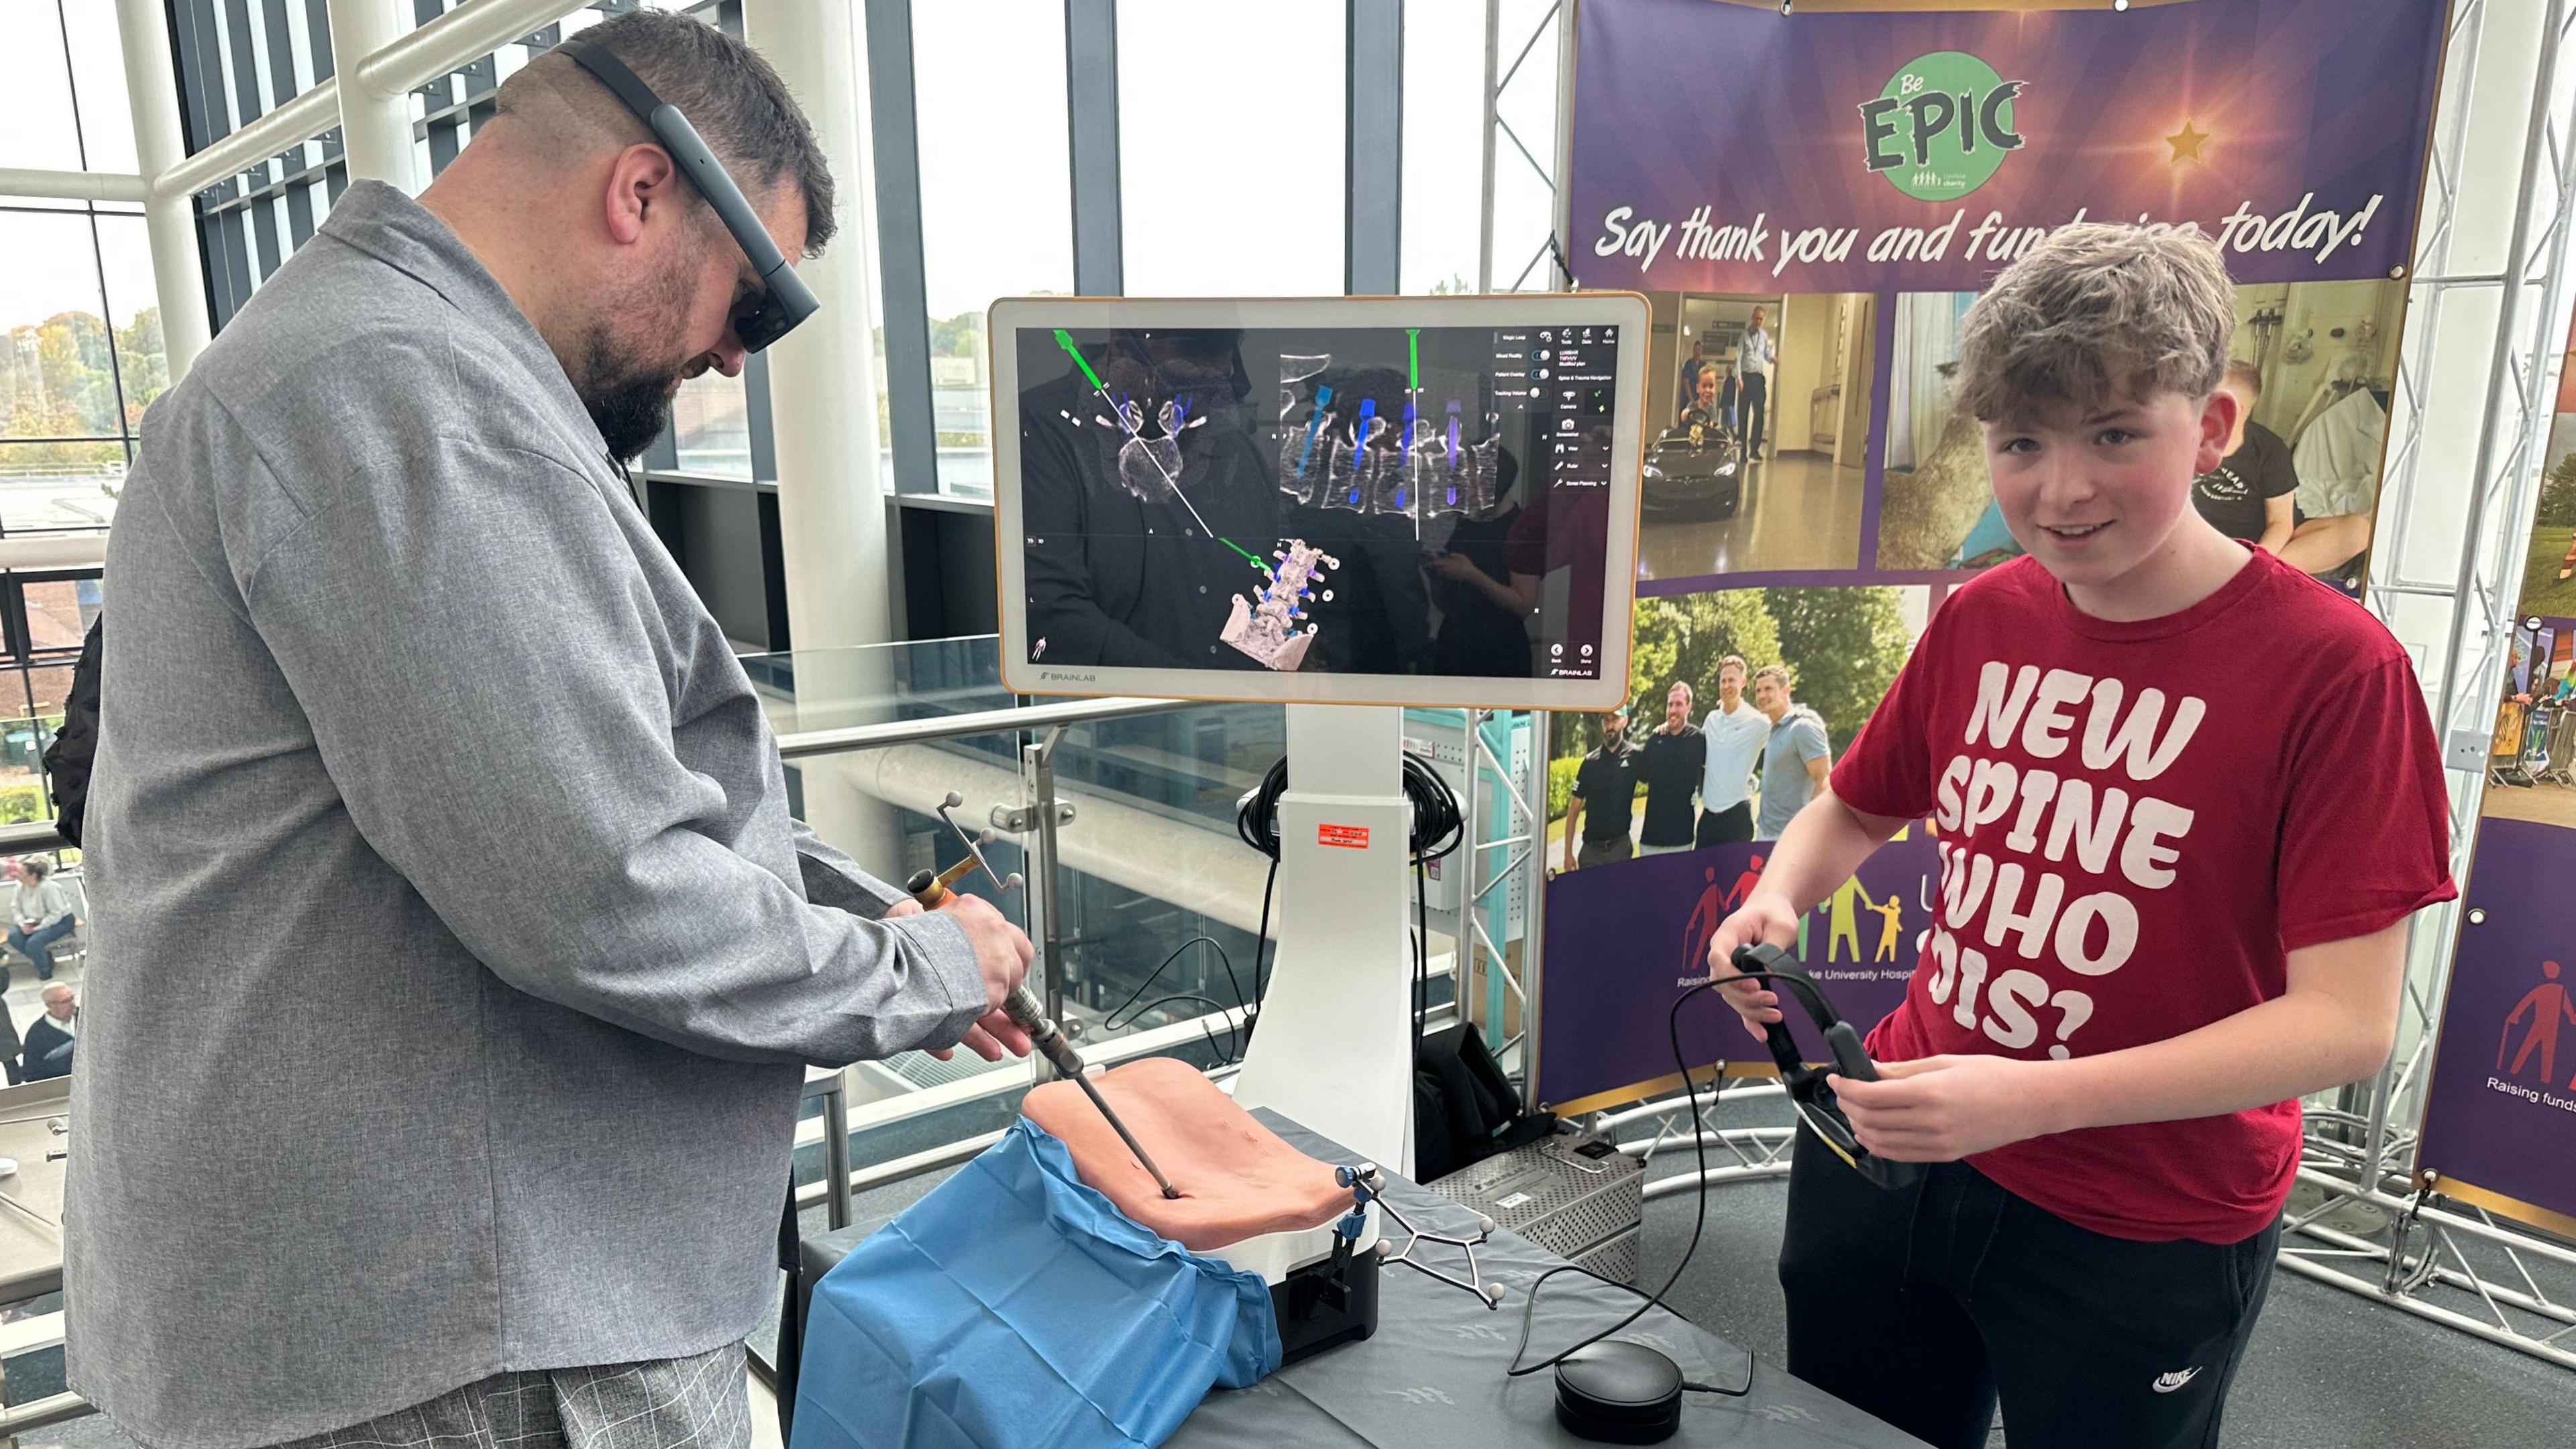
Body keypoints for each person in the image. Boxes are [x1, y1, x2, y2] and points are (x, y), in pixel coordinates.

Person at [72, 16, 1040, 1449]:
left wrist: (881, 914)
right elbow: (600, 886)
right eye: (751, 299)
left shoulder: (381, 369)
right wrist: (912, 971)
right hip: (471, 1340)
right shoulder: (401, 395)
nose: (729, 358)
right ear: (640, 192)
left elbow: (588, 790)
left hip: (435, 1306)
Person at [1707, 224, 2454, 1449]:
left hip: (2149, 1218)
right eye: (2022, 443)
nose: (2062, 489)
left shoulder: (2337, 670)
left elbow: (2347, 1023)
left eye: (2115, 435)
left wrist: (2033, 1103)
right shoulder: (1985, 614)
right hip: (1901, 1134)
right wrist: (1779, 898)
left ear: (2210, 428)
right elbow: (1854, 805)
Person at [2189, 361, 2296, 553]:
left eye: (2206, 400)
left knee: (2358, 530)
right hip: (2196, 544)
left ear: (2233, 409)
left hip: (2248, 547)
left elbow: (2280, 524)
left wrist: (2254, 563)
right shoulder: (2182, 438)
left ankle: (2256, 573)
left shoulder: (2270, 450)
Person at [1751, 664, 1830, 841]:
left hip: (1793, 837)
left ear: (1786, 690)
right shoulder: (1773, 728)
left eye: (1768, 689)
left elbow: (1823, 779)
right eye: (1758, 691)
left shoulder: (1803, 727)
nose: (1762, 695)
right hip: (1766, 833)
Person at [1697, 655, 1768, 847]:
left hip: (1737, 818)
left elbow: (1785, 739)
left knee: (1736, 877)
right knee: (1698, 876)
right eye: (1723, 681)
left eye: (1732, 680)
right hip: (1708, 817)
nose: (1726, 685)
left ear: (1743, 682)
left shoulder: (1758, 722)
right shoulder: (1711, 719)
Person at [1561, 706, 1641, 871]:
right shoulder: (1590, 762)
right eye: (1606, 720)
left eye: (1614, 719)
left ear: (1625, 721)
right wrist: (1568, 854)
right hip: (1591, 853)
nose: (1609, 725)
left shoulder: (1635, 757)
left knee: (1618, 898)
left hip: (1620, 850)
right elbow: (1574, 810)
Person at [1637, 682, 1707, 857]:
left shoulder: (1698, 739)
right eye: (1670, 705)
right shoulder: (1654, 739)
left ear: (1689, 707)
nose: (1673, 710)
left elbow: (1712, 772)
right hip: (1650, 840)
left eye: (1679, 704)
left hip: (1682, 840)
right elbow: (1641, 775)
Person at [5, 856, 75, 982]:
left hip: (61, 921)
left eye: (22, 873)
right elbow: (16, 908)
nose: (17, 875)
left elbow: (56, 914)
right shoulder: (19, 887)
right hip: (32, 922)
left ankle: (45, 973)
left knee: (34, 943)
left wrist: (38, 929)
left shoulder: (48, 887)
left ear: (34, 876)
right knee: (14, 936)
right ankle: (45, 958)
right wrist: (22, 924)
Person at [1739, 306, 1776, 461]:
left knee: (1759, 415)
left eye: (1761, 319)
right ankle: (1742, 452)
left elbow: (1767, 356)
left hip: (1758, 379)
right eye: (1757, 318)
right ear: (1752, 317)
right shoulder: (1744, 336)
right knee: (1743, 415)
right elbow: (1738, 357)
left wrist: (1774, 359)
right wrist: (1738, 378)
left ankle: (1754, 450)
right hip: (1746, 378)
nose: (1759, 321)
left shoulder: (1764, 337)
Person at [21, 984, 73, 1083]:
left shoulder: (83, 1017)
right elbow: (31, 1072)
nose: (72, 1004)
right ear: (49, 1005)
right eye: (65, 1001)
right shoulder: (36, 1034)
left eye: (72, 998)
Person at [1678, 336, 1708, 415]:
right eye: (1695, 350)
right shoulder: (1689, 364)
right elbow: (1686, 382)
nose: (1697, 352)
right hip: (1688, 399)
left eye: (1699, 350)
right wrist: (1691, 400)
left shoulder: (1703, 365)